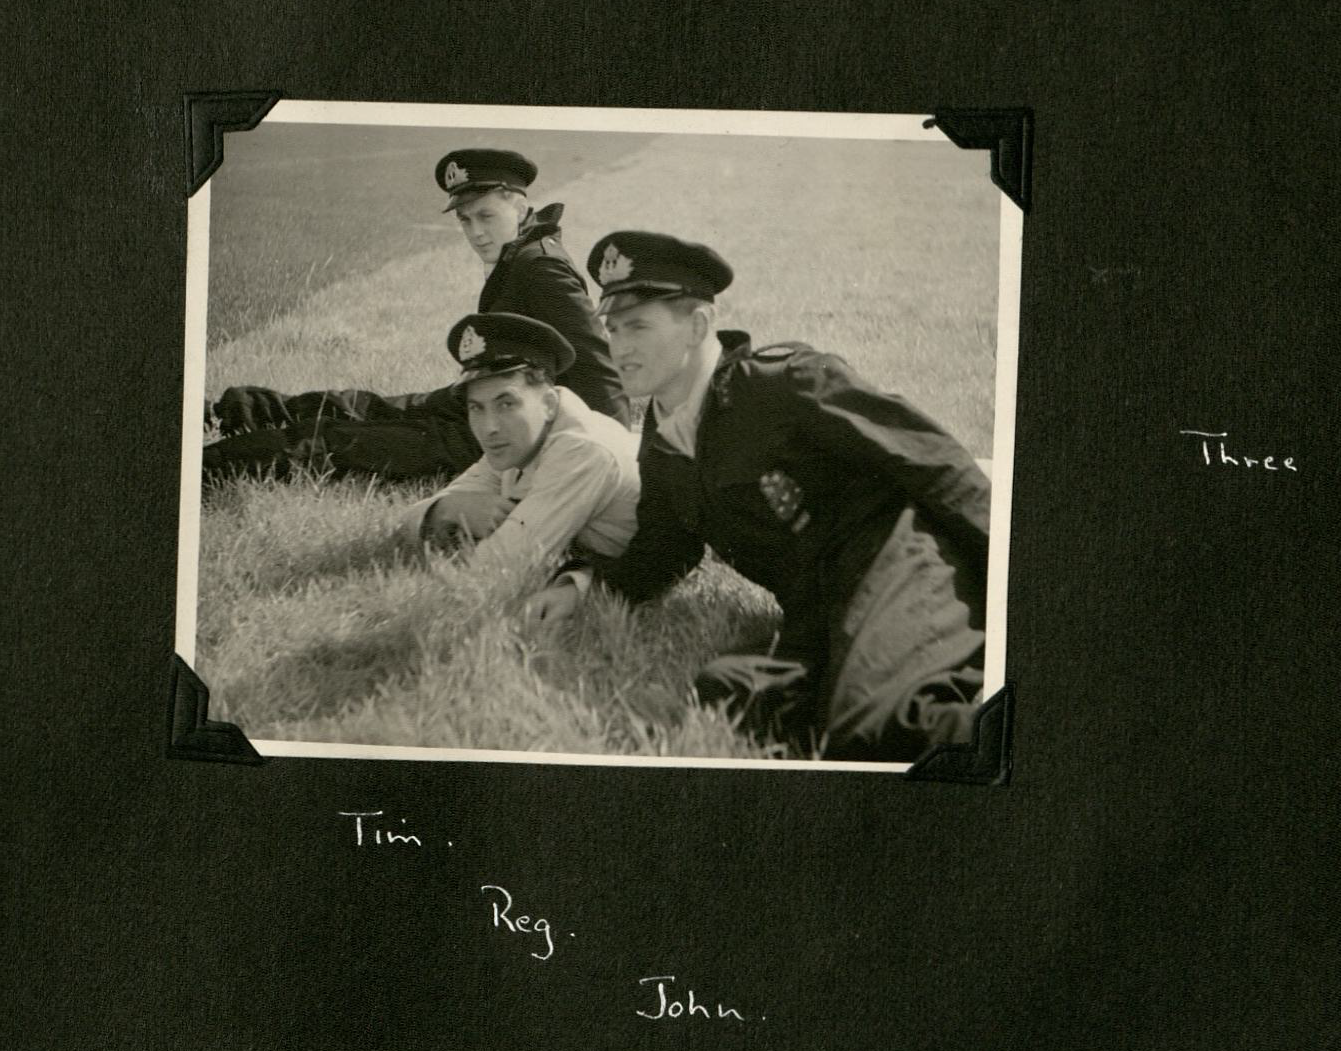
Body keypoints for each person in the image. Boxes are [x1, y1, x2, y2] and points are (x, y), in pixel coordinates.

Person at [527, 231, 991, 761]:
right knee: (728, 694)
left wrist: (1012, 582)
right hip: (814, 605)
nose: (620, 347)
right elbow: (664, 548)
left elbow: (935, 462)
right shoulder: (661, 442)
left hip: (902, 562)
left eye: (639, 325)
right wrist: (579, 584)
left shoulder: (784, 383)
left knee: (880, 728)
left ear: (698, 325)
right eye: (612, 328)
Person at [205, 147, 627, 484]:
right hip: (484, 403)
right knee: (363, 406)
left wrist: (609, 458)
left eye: (486, 216)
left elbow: (598, 366)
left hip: (504, 432)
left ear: (518, 207)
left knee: (333, 441)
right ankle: (225, 413)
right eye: (465, 220)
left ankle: (203, 468)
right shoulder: (524, 252)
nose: (475, 232)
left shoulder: (541, 267)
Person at [396, 312, 641, 592]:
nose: (489, 428)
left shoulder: (581, 451)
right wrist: (448, 508)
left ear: (548, 403)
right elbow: (405, 525)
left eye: (506, 404)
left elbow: (495, 568)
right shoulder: (517, 443)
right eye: (477, 407)